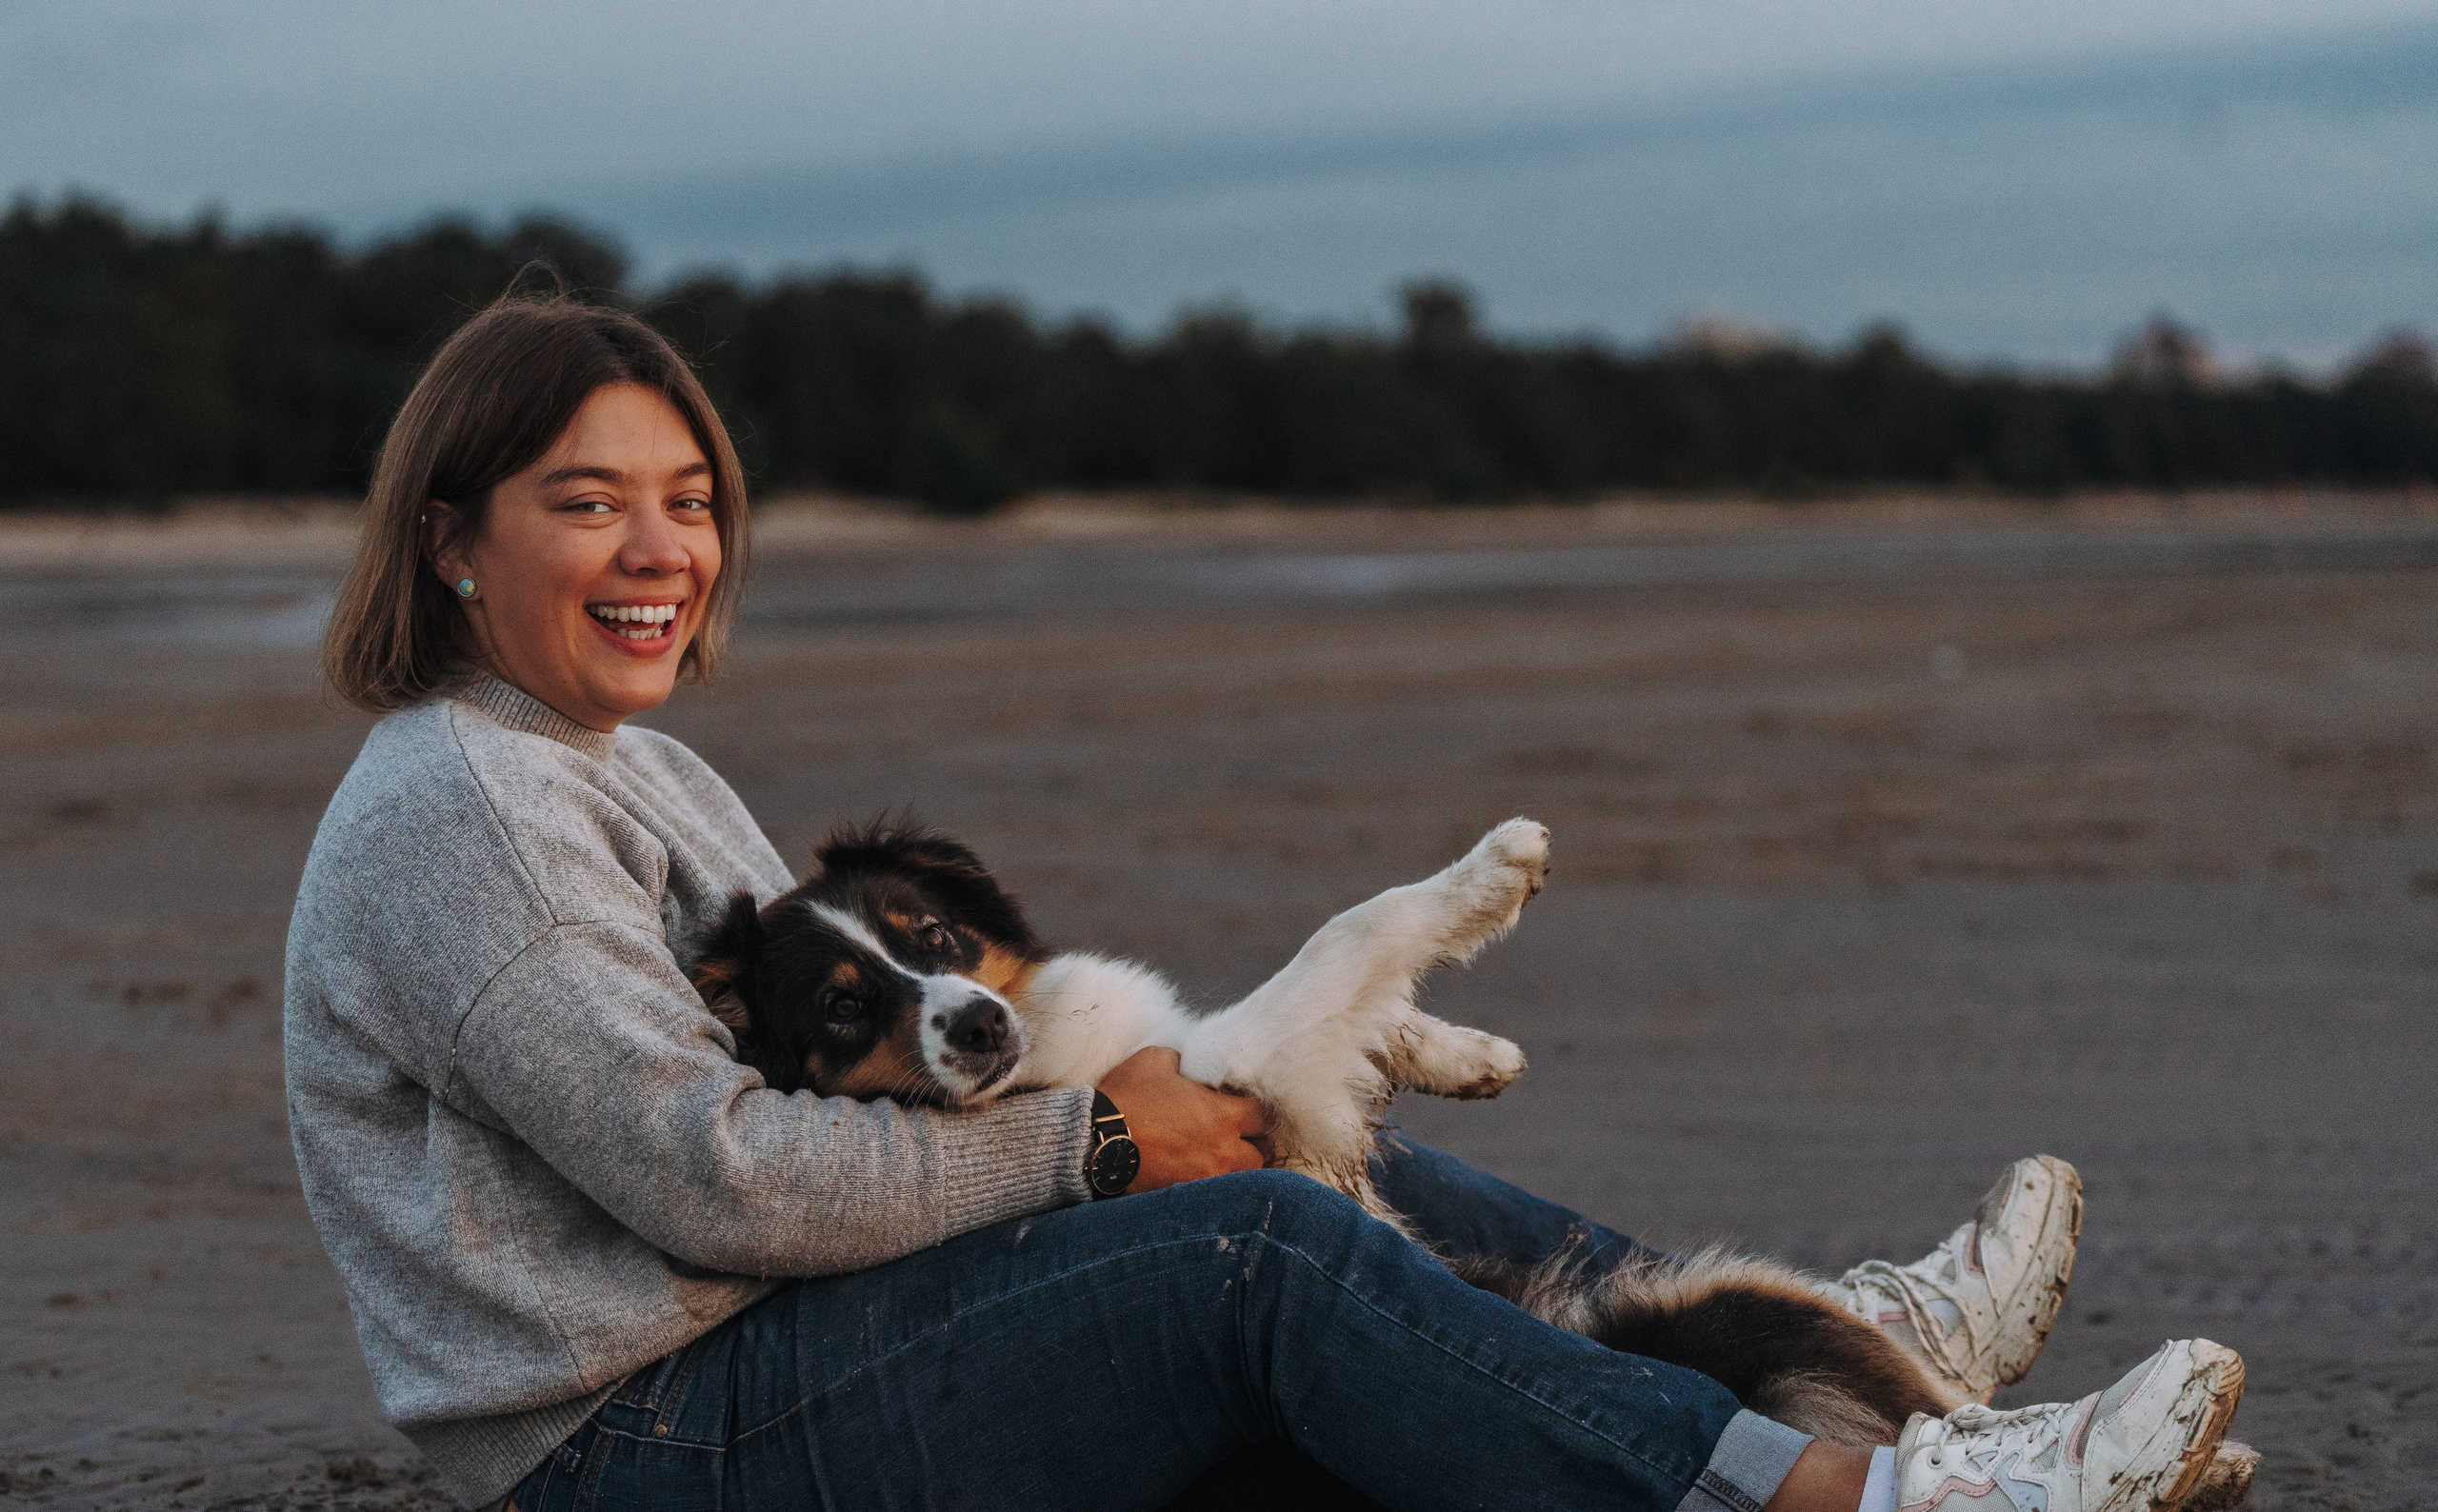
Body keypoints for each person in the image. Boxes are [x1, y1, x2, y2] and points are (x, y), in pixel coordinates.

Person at [286, 292, 2247, 1512]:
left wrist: (1164, 1108)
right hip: (636, 1445)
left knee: (1318, 1176)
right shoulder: (468, 802)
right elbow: (708, 1171)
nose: (660, 545)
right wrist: (1098, 1145)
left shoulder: (611, 764)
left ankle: (1826, 1333)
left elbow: (837, 1100)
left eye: (689, 495)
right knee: (1257, 1252)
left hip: (770, 1348)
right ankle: (1860, 1492)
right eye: (585, 498)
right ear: (450, 540)